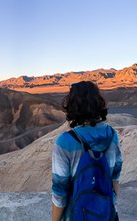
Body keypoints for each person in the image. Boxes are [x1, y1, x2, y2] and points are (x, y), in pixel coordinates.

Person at [51, 81, 122, 221]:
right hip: (107, 214)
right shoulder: (112, 135)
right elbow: (115, 177)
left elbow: (60, 192)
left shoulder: (64, 142)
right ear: (99, 103)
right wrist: (109, 205)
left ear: (71, 106)